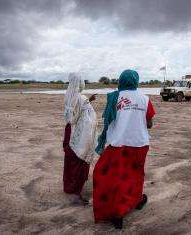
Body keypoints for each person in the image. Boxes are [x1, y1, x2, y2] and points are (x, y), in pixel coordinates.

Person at [93, 69, 156, 229]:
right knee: (135, 175)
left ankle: (118, 212)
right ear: (136, 81)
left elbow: (109, 118)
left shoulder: (114, 97)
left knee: (114, 176)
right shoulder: (145, 99)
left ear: (121, 81)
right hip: (139, 144)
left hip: (118, 143)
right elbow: (149, 124)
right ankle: (134, 201)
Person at [63, 73, 97, 205]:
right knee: (80, 161)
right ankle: (76, 194)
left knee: (71, 162)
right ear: (79, 83)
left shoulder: (70, 96)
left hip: (70, 133)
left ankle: (69, 187)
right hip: (80, 136)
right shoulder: (81, 98)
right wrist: (88, 101)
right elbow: (78, 116)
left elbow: (73, 114)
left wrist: (89, 100)